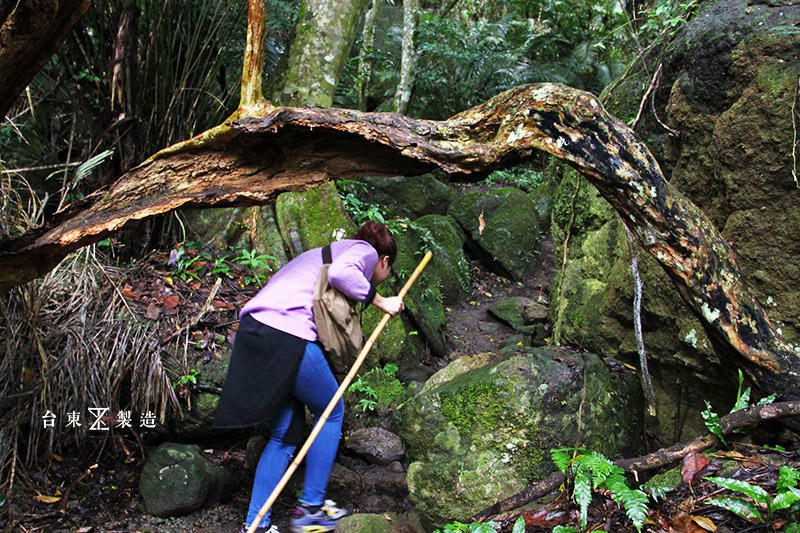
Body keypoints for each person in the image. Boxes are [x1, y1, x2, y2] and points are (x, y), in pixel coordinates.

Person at [213, 221, 405, 533]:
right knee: (332, 411)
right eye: (388, 271)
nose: (382, 278)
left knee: (285, 434)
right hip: (287, 333)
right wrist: (382, 301)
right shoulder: (365, 251)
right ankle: (311, 509)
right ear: (385, 261)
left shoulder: (320, 254)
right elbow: (342, 275)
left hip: (256, 331)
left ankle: (255, 526)